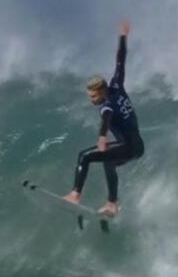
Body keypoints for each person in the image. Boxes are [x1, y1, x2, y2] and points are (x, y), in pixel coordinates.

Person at [62, 20, 144, 216]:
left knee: (84, 156)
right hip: (138, 146)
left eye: (93, 96)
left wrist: (102, 136)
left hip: (128, 146)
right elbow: (120, 61)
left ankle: (75, 194)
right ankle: (112, 204)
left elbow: (106, 117)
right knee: (109, 161)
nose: (91, 100)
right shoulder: (117, 86)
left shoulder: (106, 105)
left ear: (101, 92)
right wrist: (123, 37)